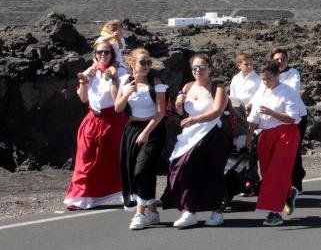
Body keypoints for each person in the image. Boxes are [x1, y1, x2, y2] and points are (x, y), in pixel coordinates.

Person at [161, 54, 233, 228]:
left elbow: (217, 111)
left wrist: (195, 119)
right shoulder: (187, 86)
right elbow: (180, 113)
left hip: (213, 133)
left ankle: (217, 211)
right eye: (195, 68)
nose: (198, 71)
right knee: (180, 166)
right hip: (191, 133)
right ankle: (188, 210)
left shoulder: (218, 88)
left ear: (210, 68)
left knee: (212, 172)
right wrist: (179, 104)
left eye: (202, 67)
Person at [65, 41, 127, 210]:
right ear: (95, 54)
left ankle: (123, 192)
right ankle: (80, 196)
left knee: (114, 159)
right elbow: (84, 98)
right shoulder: (90, 72)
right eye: (99, 52)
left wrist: (112, 77)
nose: (103, 55)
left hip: (113, 121)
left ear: (112, 54)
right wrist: (85, 81)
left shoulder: (120, 72)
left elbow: (118, 101)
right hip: (92, 120)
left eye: (106, 52)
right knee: (85, 158)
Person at [114, 48, 167, 230]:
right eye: (142, 63)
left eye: (148, 63)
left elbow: (160, 113)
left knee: (141, 168)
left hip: (153, 130)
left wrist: (146, 133)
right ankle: (153, 211)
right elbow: (118, 109)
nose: (146, 66)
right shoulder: (125, 82)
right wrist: (127, 92)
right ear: (132, 64)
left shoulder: (157, 83)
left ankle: (139, 214)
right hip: (132, 129)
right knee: (145, 171)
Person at [247, 61, 304, 226]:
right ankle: (288, 193)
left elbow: (292, 117)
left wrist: (272, 112)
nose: (265, 82)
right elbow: (253, 118)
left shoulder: (288, 92)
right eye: (263, 79)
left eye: (269, 78)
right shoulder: (260, 92)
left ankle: (274, 213)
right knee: (266, 172)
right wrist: (249, 137)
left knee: (276, 173)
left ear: (277, 75)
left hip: (286, 133)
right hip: (266, 135)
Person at [270, 48, 307, 214]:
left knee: (294, 151)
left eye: (283, 59)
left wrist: (273, 84)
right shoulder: (269, 74)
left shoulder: (293, 73)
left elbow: (292, 90)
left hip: (296, 117)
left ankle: (296, 182)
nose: (280, 61)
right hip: (276, 118)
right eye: (277, 59)